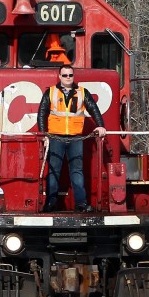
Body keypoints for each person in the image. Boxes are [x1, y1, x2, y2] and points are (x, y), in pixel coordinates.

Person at [36, 67, 106, 212]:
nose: (68, 77)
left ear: (73, 76)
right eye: (65, 75)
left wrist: (101, 126)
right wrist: (43, 134)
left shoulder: (82, 92)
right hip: (55, 137)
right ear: (59, 76)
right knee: (54, 171)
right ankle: (51, 203)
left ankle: (81, 204)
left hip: (76, 137)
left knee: (77, 171)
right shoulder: (50, 92)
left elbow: (93, 108)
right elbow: (42, 112)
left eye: (70, 75)